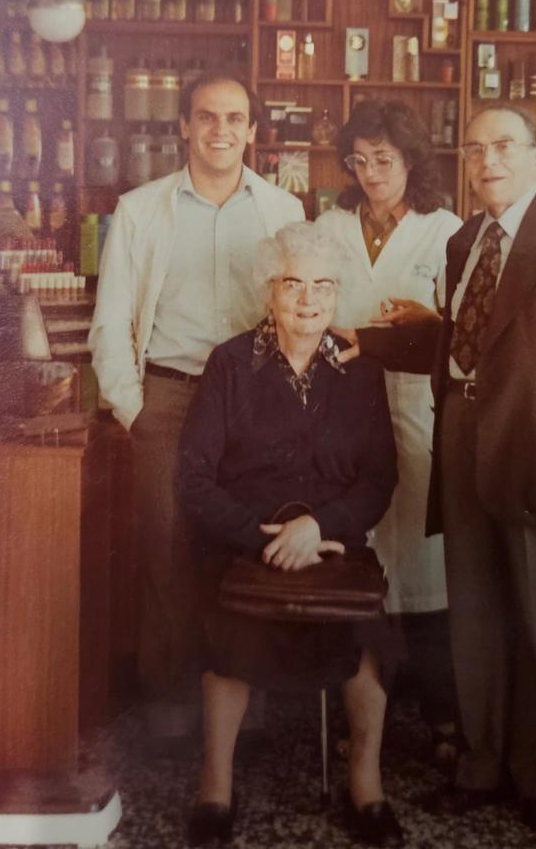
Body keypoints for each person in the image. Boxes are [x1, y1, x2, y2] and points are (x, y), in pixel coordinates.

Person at [345, 105, 536, 833]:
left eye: (504, 146)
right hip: (464, 455)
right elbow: (459, 348)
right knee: (475, 623)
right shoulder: (466, 239)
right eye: (475, 149)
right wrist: (366, 340)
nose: (488, 161)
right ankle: (482, 765)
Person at [88, 72, 305, 746]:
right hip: (170, 396)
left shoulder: (283, 211)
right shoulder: (141, 209)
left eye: (235, 118)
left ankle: (247, 706)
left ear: (252, 130)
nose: (221, 129)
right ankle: (170, 705)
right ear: (183, 125)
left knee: (249, 552)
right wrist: (134, 409)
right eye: (207, 117)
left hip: (254, 402)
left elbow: (300, 312)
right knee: (166, 551)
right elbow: (111, 321)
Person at [177, 221, 406, 848]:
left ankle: (367, 785)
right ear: (268, 291)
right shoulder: (229, 364)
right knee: (228, 635)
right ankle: (215, 787)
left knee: (369, 641)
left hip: (333, 547)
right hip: (247, 545)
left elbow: (380, 479)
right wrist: (263, 536)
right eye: (293, 285)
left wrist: (320, 528)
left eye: (323, 286)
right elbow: (194, 481)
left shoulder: (360, 370)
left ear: (337, 295)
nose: (308, 300)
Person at [316, 99, 463, 766]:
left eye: (385, 159)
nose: (372, 173)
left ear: (410, 161)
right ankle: (360, 713)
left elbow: (464, 333)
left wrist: (428, 322)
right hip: (345, 410)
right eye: (360, 160)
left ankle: (443, 717)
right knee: (362, 562)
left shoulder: (446, 231)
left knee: (428, 567)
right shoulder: (328, 225)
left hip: (422, 409)